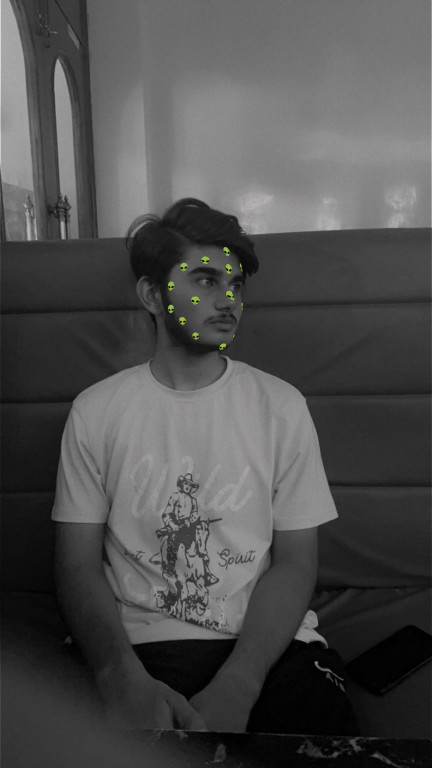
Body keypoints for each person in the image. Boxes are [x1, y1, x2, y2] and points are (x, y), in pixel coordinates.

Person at [52, 198, 359, 735]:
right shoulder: (97, 412)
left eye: (235, 285)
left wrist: (240, 684)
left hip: (266, 647)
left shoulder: (280, 407)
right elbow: (76, 564)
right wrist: (118, 676)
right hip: (137, 647)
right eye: (205, 281)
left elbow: (295, 562)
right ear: (152, 295)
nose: (228, 300)